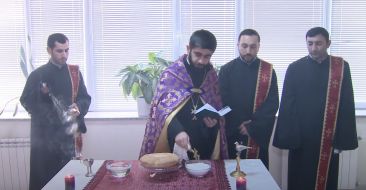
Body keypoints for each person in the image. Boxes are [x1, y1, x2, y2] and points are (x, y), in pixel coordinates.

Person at [273, 27, 358, 190]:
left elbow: (346, 104)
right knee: (299, 180)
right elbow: (287, 105)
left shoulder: (340, 67)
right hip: (301, 139)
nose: (313, 48)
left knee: (326, 181)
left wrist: (341, 139)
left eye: (318, 43)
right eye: (310, 43)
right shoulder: (295, 68)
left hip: (328, 137)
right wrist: (290, 137)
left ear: (328, 43)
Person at [139, 29, 228, 160]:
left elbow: (215, 104)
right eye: (198, 54)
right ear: (188, 49)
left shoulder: (211, 75)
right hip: (176, 138)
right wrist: (177, 131)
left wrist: (213, 123)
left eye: (207, 56)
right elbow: (161, 109)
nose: (202, 61)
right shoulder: (172, 73)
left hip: (203, 138)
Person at [20, 33, 91, 190]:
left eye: (67, 50)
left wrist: (78, 107)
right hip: (45, 139)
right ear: (49, 50)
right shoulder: (37, 75)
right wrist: (41, 94)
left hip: (68, 139)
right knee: (45, 180)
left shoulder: (75, 74)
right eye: (59, 51)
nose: (64, 55)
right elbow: (25, 100)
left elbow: (85, 98)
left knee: (71, 179)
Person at [219, 29, 279, 168]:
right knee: (231, 175)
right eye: (244, 46)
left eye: (253, 46)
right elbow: (223, 102)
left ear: (259, 46)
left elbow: (273, 103)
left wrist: (252, 126)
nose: (248, 50)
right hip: (233, 131)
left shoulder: (268, 71)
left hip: (257, 132)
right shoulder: (227, 70)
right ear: (238, 45)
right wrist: (238, 124)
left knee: (257, 176)